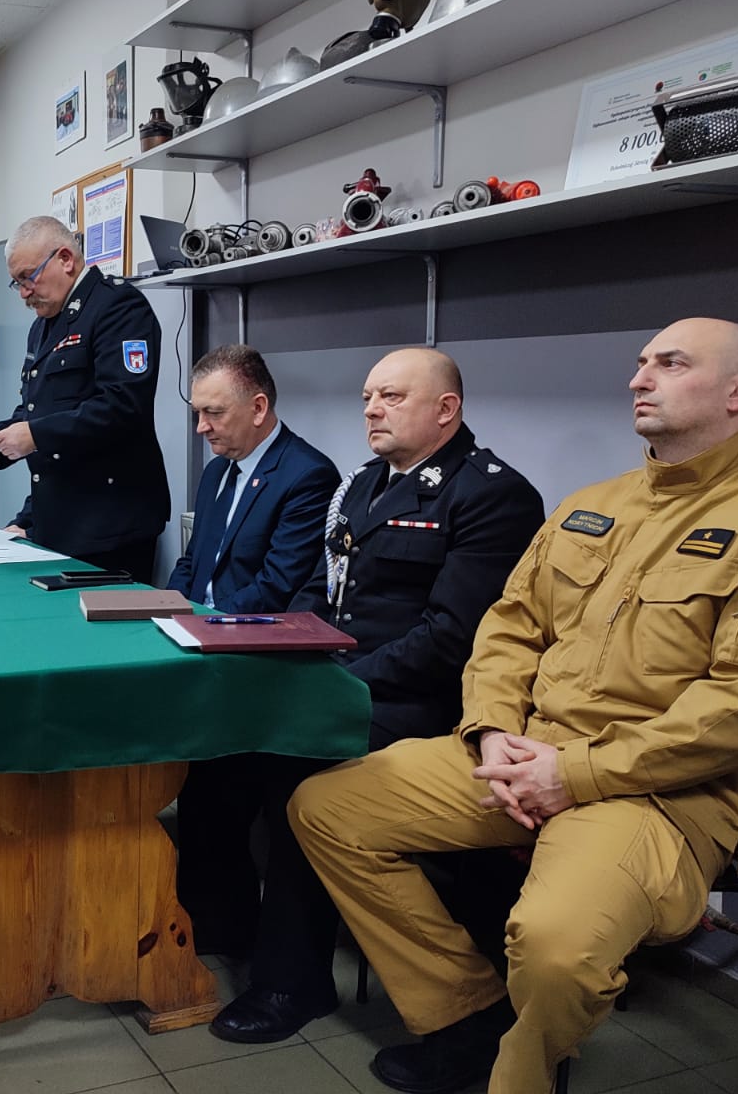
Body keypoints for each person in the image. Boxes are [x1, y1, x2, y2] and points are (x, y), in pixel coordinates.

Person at [289, 318, 738, 1094]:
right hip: (524, 755)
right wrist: (492, 729)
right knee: (325, 808)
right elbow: (507, 629)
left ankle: (520, 1074)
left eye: (671, 364)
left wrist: (574, 773)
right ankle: (466, 1014)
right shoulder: (591, 506)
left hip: (657, 795)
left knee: (554, 947)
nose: (639, 379)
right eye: (641, 362)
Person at [187, 346, 543, 1044]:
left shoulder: (491, 494)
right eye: (367, 398)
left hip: (424, 702)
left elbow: (451, 639)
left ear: (447, 409)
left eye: (392, 397)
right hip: (347, 678)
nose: (373, 410)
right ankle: (221, 922)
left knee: (299, 769)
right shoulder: (361, 484)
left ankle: (291, 981)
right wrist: (291, 651)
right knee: (224, 745)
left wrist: (335, 683)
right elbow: (321, 592)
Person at [0, 215, 167, 582]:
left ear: (66, 259)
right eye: (17, 282)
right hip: (58, 520)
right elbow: (37, 409)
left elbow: (123, 406)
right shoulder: (43, 325)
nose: (24, 292)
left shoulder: (118, 307)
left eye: (29, 277)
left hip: (110, 524)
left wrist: (34, 436)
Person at [165, 344, 338, 612]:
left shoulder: (308, 477)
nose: (201, 427)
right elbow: (191, 562)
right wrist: (167, 609)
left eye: (214, 412)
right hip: (193, 621)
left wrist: (203, 623)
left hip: (243, 629)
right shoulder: (216, 471)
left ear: (258, 408)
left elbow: (277, 587)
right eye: (197, 413)